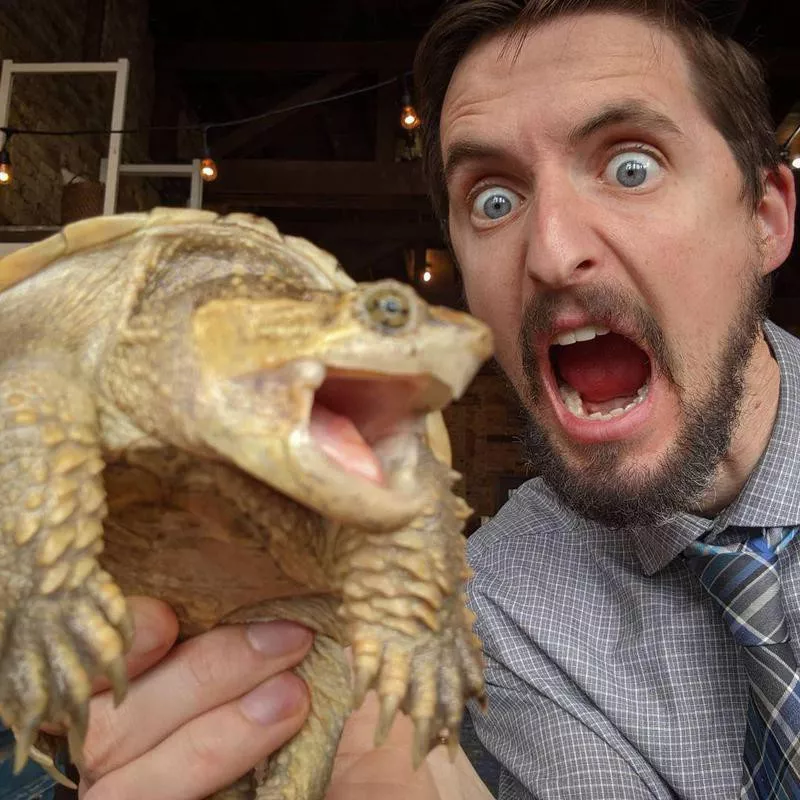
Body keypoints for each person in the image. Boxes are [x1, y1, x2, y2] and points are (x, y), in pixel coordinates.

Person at [6, 0, 799, 797]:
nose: (554, 253)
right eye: (493, 200)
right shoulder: (492, 609)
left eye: (632, 166)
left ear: (766, 218)